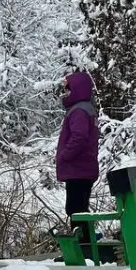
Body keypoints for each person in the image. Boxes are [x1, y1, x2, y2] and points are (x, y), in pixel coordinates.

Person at [55, 70, 99, 222]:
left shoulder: (79, 111)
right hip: (83, 169)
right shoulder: (86, 109)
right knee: (79, 210)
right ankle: (87, 241)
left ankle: (83, 243)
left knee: (76, 211)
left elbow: (79, 137)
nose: (65, 93)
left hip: (78, 169)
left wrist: (65, 155)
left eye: (68, 89)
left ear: (77, 89)